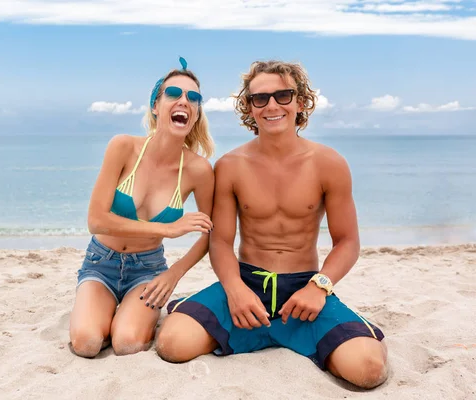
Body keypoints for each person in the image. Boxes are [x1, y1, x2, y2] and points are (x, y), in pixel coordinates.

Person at [156, 60, 388, 389]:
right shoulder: (230, 166)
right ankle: (259, 330)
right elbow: (220, 241)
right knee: (172, 345)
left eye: (283, 95)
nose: (272, 106)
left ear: (301, 102)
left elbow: (347, 242)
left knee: (368, 370)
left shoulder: (329, 164)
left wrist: (319, 286)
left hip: (305, 291)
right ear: (248, 108)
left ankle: (350, 334)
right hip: (246, 284)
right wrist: (235, 291)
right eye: (260, 99)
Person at [69, 57, 215, 358]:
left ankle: (133, 316)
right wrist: (165, 229)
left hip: (148, 270)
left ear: (197, 113)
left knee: (127, 344)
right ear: (155, 105)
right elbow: (96, 220)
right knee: (86, 343)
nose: (184, 102)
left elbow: (210, 234)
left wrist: (173, 274)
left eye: (194, 98)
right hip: (101, 262)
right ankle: (104, 312)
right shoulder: (123, 147)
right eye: (174, 94)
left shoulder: (198, 170)